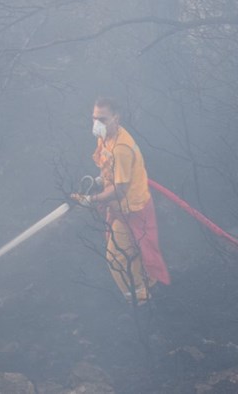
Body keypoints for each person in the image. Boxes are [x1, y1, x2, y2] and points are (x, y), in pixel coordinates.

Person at [71, 97, 170, 304]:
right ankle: (149, 287)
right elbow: (109, 168)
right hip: (121, 207)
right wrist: (99, 180)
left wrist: (91, 199)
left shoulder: (122, 149)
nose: (97, 124)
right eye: (94, 118)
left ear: (117, 117)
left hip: (131, 208)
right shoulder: (106, 137)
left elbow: (120, 189)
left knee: (116, 257)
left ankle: (139, 300)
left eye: (103, 119)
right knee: (133, 251)